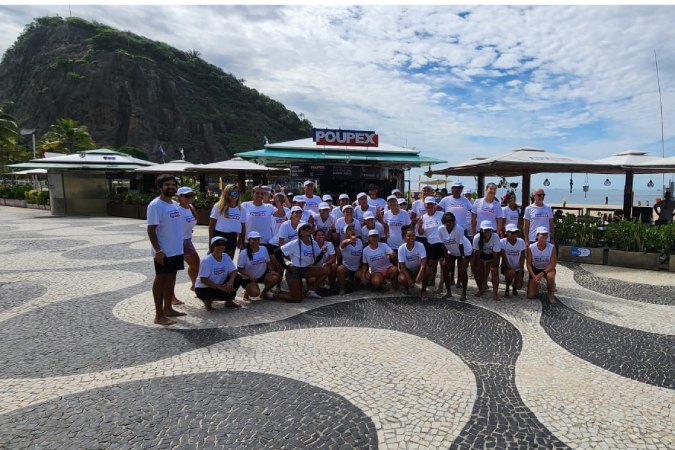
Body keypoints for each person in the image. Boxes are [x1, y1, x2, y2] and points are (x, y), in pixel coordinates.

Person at [147, 174, 187, 326]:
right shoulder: (156, 205)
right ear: (160, 187)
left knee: (171, 278)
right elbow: (151, 230)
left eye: (172, 184)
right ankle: (159, 315)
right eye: (167, 185)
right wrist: (158, 250)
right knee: (161, 279)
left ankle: (168, 308)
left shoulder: (174, 204)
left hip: (176, 250)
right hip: (163, 251)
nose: (170, 187)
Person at [274, 222, 329, 302]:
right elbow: (277, 252)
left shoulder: (313, 243)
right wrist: (286, 266)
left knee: (326, 270)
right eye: (303, 228)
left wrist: (323, 252)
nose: (306, 230)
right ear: (299, 232)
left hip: (306, 269)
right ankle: (273, 295)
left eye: (308, 228)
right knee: (296, 299)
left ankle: (311, 291)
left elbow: (317, 257)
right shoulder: (294, 243)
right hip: (294, 271)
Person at [195, 236, 241, 311]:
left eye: (222, 244)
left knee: (238, 278)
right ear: (212, 247)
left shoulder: (225, 256)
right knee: (206, 293)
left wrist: (230, 282)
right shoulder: (206, 260)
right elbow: (203, 279)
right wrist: (220, 288)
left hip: (220, 284)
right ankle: (208, 303)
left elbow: (234, 270)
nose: (220, 246)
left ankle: (229, 301)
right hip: (205, 288)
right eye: (217, 245)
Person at [236, 231, 280, 301]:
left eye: (258, 239)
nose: (256, 241)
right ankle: (246, 292)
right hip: (248, 278)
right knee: (255, 293)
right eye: (253, 239)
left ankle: (264, 293)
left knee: (275, 277)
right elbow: (239, 269)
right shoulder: (243, 253)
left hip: (261, 275)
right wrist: (250, 276)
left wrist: (271, 270)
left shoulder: (263, 248)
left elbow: (267, 262)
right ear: (248, 240)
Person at [438, 212, 470, 300]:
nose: (451, 223)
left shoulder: (459, 229)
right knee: (444, 266)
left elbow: (461, 245)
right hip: (452, 251)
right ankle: (448, 292)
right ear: (444, 222)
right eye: (448, 221)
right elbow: (443, 244)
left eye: (452, 221)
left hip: (464, 251)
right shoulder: (440, 230)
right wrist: (446, 258)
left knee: (463, 270)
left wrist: (463, 258)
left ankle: (464, 293)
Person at [417, 197, 445, 294]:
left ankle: (441, 285)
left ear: (435, 205)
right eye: (427, 204)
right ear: (424, 205)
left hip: (442, 243)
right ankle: (432, 281)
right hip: (431, 243)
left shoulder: (441, 215)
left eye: (431, 204)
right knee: (433, 265)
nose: (429, 206)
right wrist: (420, 225)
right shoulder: (423, 217)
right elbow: (421, 233)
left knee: (442, 265)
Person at [175, 186, 200, 299]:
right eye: (186, 196)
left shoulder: (190, 207)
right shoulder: (176, 209)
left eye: (191, 195)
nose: (189, 198)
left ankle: (195, 285)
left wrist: (189, 229)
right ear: (179, 197)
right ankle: (171, 296)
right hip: (177, 241)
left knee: (195, 263)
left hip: (187, 240)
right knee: (173, 270)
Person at [209, 183, 243, 260]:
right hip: (219, 236)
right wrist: (210, 241)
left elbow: (242, 226)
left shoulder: (241, 208)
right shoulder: (218, 206)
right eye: (232, 193)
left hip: (232, 237)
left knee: (229, 260)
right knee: (217, 260)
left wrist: (240, 240)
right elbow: (211, 225)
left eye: (236, 193)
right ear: (227, 194)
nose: (235, 195)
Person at [240, 185, 276, 252]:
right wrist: (240, 240)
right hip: (248, 241)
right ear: (252, 194)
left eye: (262, 194)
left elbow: (281, 214)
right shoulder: (244, 205)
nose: (260, 195)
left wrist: (276, 200)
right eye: (257, 193)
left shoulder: (269, 207)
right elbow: (241, 224)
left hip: (265, 241)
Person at [527, 226, 558, 304]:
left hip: (547, 269)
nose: (544, 236)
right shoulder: (531, 247)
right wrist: (534, 276)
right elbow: (528, 264)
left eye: (546, 234)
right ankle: (536, 286)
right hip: (535, 269)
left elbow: (553, 264)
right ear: (537, 235)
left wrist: (542, 274)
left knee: (551, 276)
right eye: (542, 234)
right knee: (531, 295)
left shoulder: (552, 247)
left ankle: (550, 293)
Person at [472, 220, 502, 301]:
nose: (488, 232)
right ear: (482, 230)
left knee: (494, 271)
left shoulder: (495, 237)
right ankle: (480, 288)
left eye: (489, 230)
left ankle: (495, 293)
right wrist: (477, 266)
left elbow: (495, 254)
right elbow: (477, 253)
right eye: (486, 230)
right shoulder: (477, 237)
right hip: (481, 254)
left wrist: (494, 266)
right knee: (478, 271)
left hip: (492, 255)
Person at [398, 226, 430, 298]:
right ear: (404, 238)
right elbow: (402, 265)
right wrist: (408, 278)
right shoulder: (401, 249)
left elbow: (424, 260)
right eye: (409, 236)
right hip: (407, 270)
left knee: (427, 270)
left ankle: (423, 290)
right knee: (401, 279)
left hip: (418, 268)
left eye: (413, 235)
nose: (412, 237)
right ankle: (407, 288)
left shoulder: (420, 245)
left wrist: (420, 273)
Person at [336, 223, 365, 294]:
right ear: (346, 234)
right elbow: (344, 244)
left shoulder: (360, 242)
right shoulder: (343, 243)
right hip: (347, 268)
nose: (352, 231)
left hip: (357, 269)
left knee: (366, 277)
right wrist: (350, 240)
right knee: (340, 269)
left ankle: (356, 284)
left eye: (353, 229)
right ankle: (342, 288)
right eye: (349, 230)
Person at [500, 224, 526, 298]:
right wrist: (511, 268)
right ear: (507, 233)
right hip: (507, 266)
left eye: (516, 232)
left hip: (518, 266)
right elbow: (504, 258)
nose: (514, 234)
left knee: (519, 286)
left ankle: (514, 288)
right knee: (511, 273)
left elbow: (522, 257)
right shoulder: (502, 242)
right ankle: (507, 288)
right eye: (512, 232)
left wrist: (520, 271)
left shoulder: (521, 242)